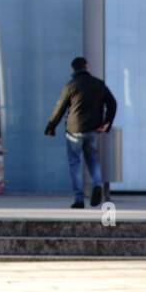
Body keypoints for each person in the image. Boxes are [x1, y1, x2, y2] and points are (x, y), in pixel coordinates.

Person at [45, 56, 118, 209]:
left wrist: (51, 126)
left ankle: (79, 199)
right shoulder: (98, 84)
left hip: (74, 131)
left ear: (73, 69)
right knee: (92, 160)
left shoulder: (70, 85)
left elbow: (60, 107)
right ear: (86, 67)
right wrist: (106, 123)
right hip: (93, 130)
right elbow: (112, 103)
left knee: (75, 163)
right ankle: (97, 185)